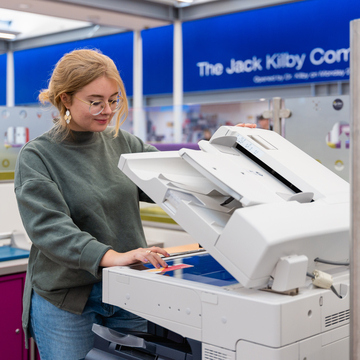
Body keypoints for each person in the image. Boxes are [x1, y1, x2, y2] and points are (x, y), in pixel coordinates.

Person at [15, 48, 256, 360]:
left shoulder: (124, 144)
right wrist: (112, 256)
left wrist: (229, 155)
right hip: (66, 298)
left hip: (127, 288)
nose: (108, 110)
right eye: (95, 102)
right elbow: (50, 230)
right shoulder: (38, 156)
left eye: (114, 100)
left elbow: (177, 177)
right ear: (65, 99)